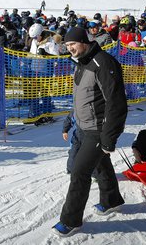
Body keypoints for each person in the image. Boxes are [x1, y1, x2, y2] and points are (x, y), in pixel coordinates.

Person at [54, 27, 128, 237]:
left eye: (73, 44)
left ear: (84, 42)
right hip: (84, 126)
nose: (70, 49)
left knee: (79, 173)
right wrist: (71, 121)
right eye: (67, 46)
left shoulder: (103, 63)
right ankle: (112, 200)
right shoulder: (81, 62)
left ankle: (71, 221)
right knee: (101, 165)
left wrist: (109, 137)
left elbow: (116, 103)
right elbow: (82, 98)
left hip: (98, 129)